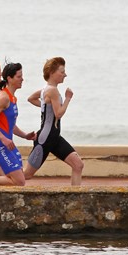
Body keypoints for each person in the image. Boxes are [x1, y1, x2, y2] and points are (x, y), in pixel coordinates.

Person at [24, 56, 84, 186]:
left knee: (78, 165)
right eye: (62, 72)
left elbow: (31, 98)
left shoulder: (46, 89)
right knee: (25, 175)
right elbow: (59, 114)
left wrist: (46, 108)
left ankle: (76, 197)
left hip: (54, 138)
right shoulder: (52, 90)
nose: (65, 75)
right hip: (45, 139)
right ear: (52, 73)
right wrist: (68, 99)